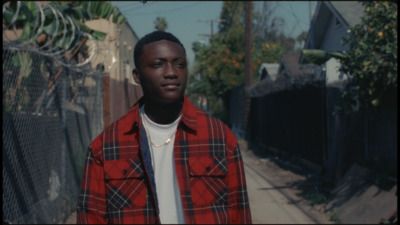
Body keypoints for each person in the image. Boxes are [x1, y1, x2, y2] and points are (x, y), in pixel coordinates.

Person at [77, 30, 252, 224]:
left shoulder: (220, 137)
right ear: (137, 76)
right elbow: (90, 217)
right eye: (158, 64)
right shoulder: (105, 146)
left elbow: (239, 213)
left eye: (180, 64)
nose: (171, 73)